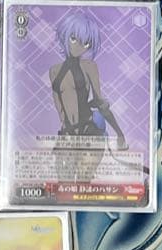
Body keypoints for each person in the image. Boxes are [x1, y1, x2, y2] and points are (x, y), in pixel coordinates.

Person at [48, 11, 127, 150]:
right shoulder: (54, 71)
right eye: (73, 39)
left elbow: (99, 101)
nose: (78, 47)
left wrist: (119, 133)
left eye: (85, 43)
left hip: (89, 127)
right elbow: (59, 106)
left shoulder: (89, 66)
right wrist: (65, 131)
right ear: (64, 35)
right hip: (68, 132)